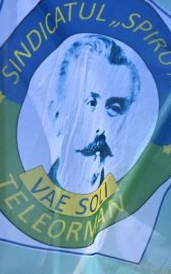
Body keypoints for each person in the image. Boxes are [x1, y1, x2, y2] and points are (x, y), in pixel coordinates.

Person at [46, 34, 144, 194]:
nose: (100, 127)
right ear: (56, 113)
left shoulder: (128, 208)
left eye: (114, 108)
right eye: (91, 103)